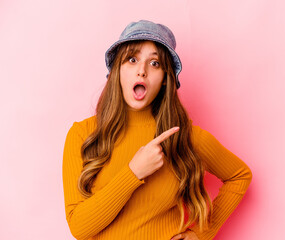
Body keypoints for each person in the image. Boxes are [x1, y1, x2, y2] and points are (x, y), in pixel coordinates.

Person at [62, 19, 252, 240]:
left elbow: (240, 176)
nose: (141, 71)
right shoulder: (83, 135)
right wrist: (133, 172)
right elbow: (79, 228)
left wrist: (202, 233)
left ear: (164, 79)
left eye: (154, 64)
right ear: (117, 70)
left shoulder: (183, 136)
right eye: (132, 60)